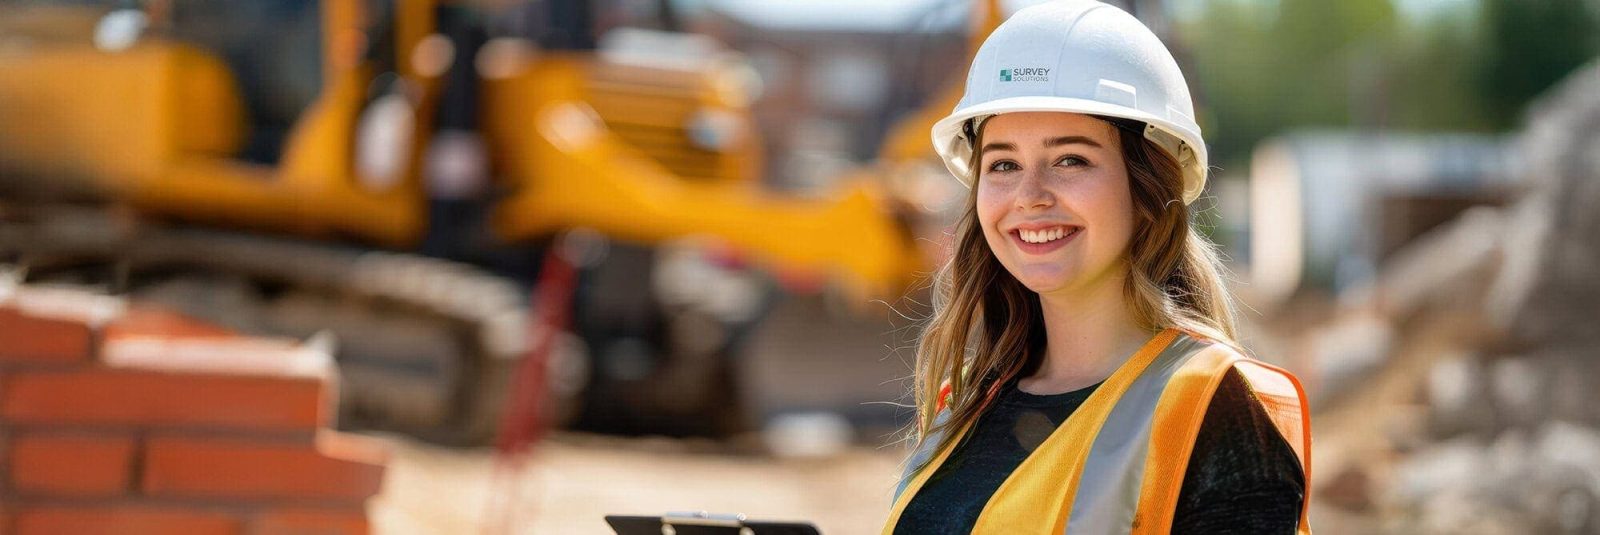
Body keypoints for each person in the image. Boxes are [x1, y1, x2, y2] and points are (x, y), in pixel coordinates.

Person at [879, 1, 1313, 533]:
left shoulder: (1214, 410)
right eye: (1004, 164)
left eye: (1071, 160)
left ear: (1149, 185)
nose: (1029, 196)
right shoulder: (963, 404)